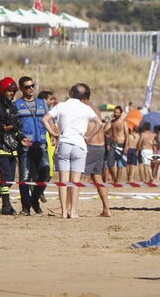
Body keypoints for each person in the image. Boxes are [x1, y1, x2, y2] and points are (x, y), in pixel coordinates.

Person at [42, 83, 99, 219]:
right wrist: (88, 137)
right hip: (79, 144)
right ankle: (73, 211)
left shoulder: (61, 106)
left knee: (63, 181)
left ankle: (63, 212)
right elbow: (99, 123)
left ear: (71, 93)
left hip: (64, 143)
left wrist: (53, 134)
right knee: (75, 181)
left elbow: (44, 119)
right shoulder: (86, 108)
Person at [0, 77, 30, 215]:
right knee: (6, 176)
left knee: (9, 180)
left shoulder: (12, 106)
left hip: (12, 146)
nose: (12, 93)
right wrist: (2, 127)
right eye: (9, 91)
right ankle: (6, 205)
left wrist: (22, 138)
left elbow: (15, 127)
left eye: (13, 91)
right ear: (2, 91)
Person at [13, 76, 50, 215]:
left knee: (45, 173)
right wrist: (20, 138)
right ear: (21, 89)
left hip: (41, 144)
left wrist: (53, 135)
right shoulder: (16, 105)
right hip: (25, 146)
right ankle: (26, 207)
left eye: (32, 85)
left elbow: (49, 121)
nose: (31, 88)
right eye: (27, 87)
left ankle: (34, 200)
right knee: (25, 177)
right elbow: (14, 126)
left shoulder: (42, 103)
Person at [82, 94, 112, 217]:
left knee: (76, 177)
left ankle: (66, 207)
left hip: (92, 146)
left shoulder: (85, 108)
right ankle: (106, 209)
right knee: (98, 179)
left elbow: (93, 126)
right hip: (100, 146)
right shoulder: (96, 108)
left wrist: (86, 138)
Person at [105, 106, 128, 183]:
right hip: (113, 144)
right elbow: (104, 130)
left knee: (120, 165)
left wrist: (126, 146)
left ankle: (117, 181)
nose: (116, 114)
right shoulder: (112, 122)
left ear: (121, 113)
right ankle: (114, 178)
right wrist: (109, 120)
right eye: (115, 112)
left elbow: (127, 135)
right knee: (110, 164)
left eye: (117, 112)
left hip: (121, 144)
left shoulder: (124, 122)